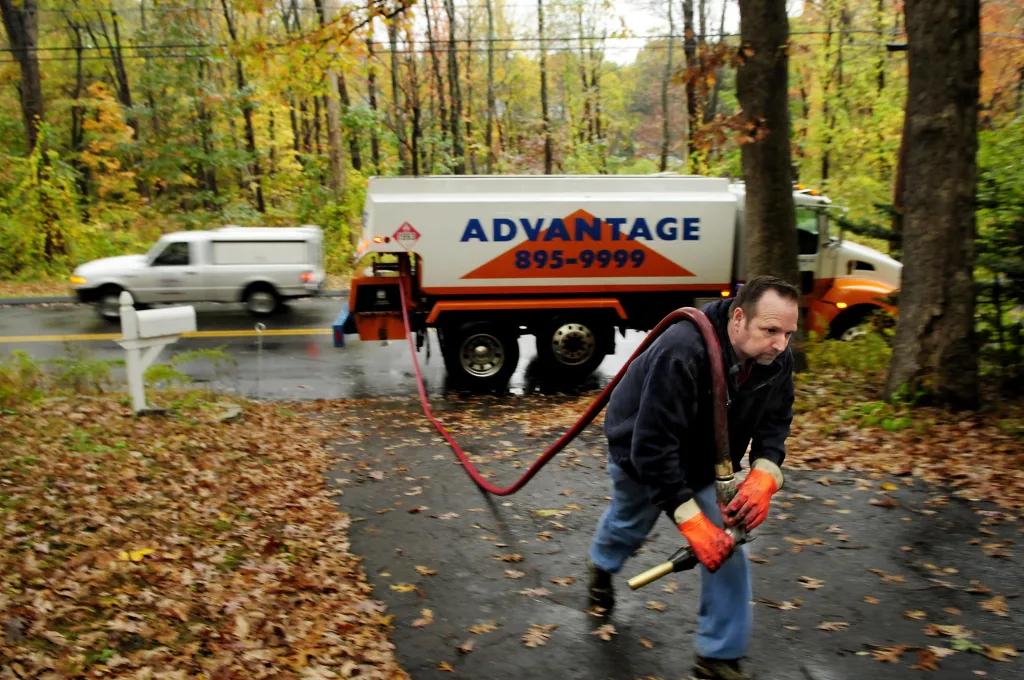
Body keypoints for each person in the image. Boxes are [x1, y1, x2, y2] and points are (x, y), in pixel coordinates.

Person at [587, 275, 800, 680]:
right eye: (770, 330)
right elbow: (651, 450)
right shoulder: (682, 350)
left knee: (727, 546)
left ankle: (718, 657)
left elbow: (776, 422)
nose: (780, 344)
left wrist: (765, 475)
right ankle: (601, 564)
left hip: (709, 462)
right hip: (640, 453)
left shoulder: (776, 356)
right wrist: (691, 522)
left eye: (788, 333)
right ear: (738, 318)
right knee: (630, 524)